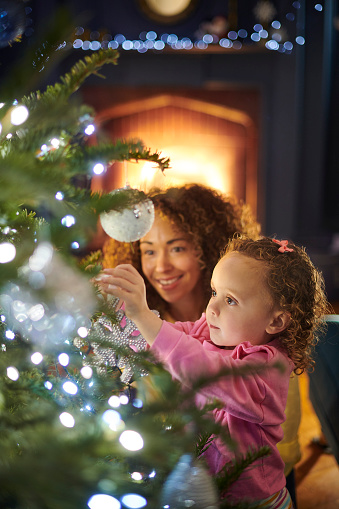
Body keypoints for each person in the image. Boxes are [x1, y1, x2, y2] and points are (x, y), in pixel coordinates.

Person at [100, 184, 299, 505]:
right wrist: (112, 317)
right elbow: (168, 339)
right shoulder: (212, 326)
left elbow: (202, 367)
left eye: (177, 248)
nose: (161, 266)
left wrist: (146, 321)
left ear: (206, 248)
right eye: (148, 250)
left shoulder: (267, 363)